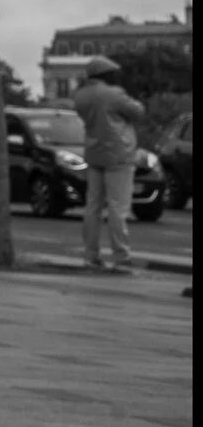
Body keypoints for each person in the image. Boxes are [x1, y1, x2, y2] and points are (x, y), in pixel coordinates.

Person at [70, 58, 144, 274]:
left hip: (94, 153)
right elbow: (138, 112)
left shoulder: (81, 96)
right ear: (104, 74)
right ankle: (121, 257)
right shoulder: (114, 94)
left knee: (92, 207)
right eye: (113, 73)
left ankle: (90, 255)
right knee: (118, 207)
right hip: (118, 154)